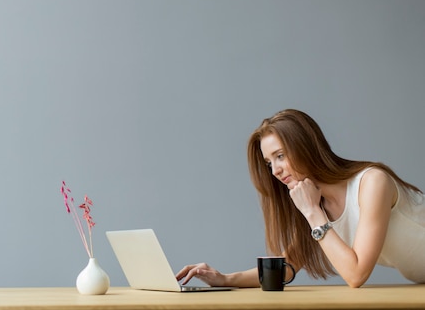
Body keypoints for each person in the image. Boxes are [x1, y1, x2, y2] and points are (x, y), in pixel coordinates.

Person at [176, 109, 425, 288]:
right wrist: (225, 279)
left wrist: (312, 214)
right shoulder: (315, 203)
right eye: (268, 162)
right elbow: (288, 264)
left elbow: (356, 275)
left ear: (306, 147)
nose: (275, 171)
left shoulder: (372, 183)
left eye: (280, 155)